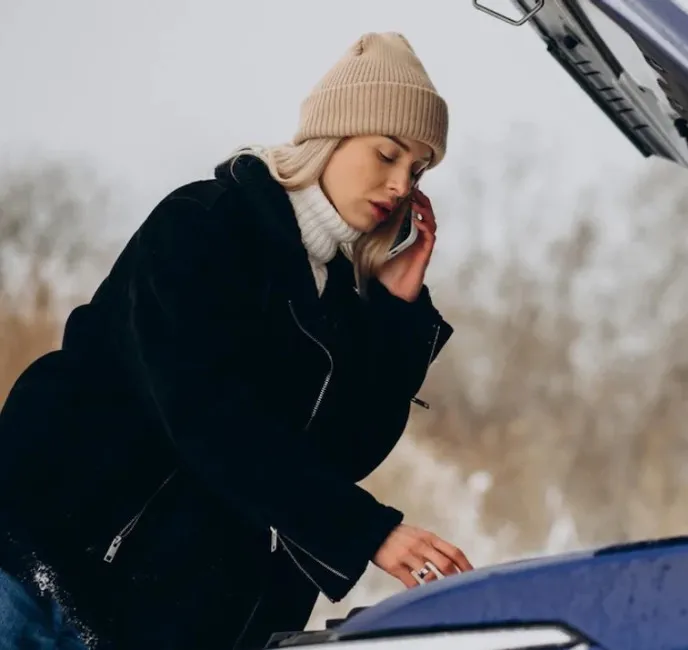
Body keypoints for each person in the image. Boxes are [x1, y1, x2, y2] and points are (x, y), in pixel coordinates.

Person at [0, 31, 474, 650]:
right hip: (47, 568)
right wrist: (366, 532)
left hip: (158, 613)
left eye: (417, 170)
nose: (399, 183)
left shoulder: (336, 294)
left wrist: (394, 312)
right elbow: (204, 414)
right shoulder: (206, 224)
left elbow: (339, 454)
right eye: (387, 154)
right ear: (331, 136)